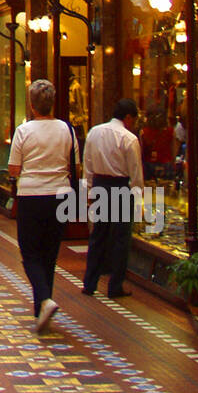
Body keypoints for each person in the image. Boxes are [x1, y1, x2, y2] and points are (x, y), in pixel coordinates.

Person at [8, 79, 79, 334]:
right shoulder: (67, 129)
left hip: (32, 195)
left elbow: (14, 169)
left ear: (32, 104)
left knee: (30, 253)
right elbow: (75, 165)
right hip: (61, 195)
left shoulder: (24, 131)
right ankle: (41, 309)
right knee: (49, 253)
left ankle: (45, 300)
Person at [81, 98, 143, 300]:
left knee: (98, 235)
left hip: (99, 186)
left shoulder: (94, 132)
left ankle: (90, 283)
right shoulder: (129, 138)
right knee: (120, 239)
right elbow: (136, 173)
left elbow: (87, 165)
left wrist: (89, 191)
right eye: (133, 119)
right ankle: (114, 286)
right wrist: (137, 199)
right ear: (127, 117)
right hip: (120, 189)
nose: (133, 123)